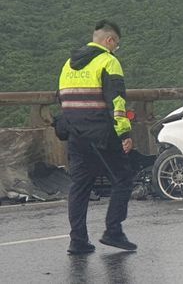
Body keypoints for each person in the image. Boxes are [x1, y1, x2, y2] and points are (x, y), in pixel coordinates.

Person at [59, 20, 137, 254]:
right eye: (117, 45)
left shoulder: (68, 64)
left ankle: (78, 241)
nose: (116, 49)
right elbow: (117, 101)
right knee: (123, 178)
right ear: (110, 40)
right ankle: (113, 231)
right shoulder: (108, 61)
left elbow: (61, 98)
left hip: (76, 135)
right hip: (102, 134)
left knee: (80, 187)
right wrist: (124, 133)